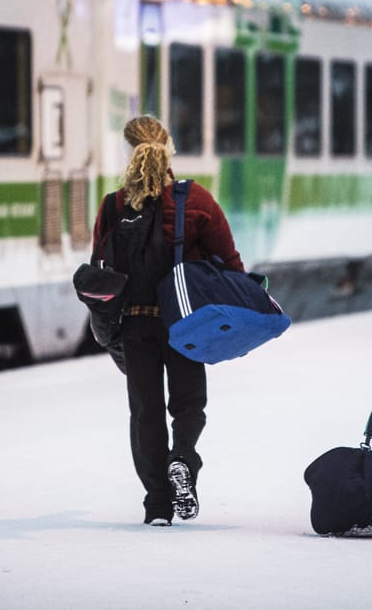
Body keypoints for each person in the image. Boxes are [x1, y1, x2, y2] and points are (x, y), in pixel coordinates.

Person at [91, 115, 244, 526]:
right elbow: (230, 264)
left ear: (128, 152)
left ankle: (158, 504)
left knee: (145, 412)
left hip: (135, 324)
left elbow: (100, 272)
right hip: (184, 324)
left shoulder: (113, 205)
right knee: (189, 404)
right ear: (169, 148)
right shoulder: (195, 200)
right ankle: (184, 459)